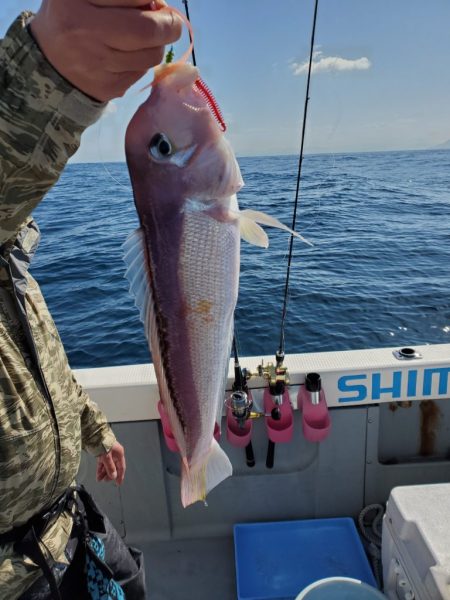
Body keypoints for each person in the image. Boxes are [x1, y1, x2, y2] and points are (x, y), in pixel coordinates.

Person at [0, 1, 182, 598]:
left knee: (134, 583)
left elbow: (39, 366)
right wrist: (48, 71)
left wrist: (94, 428)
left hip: (70, 524)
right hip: (20, 580)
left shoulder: (10, 266)